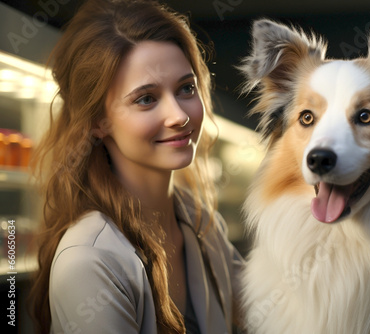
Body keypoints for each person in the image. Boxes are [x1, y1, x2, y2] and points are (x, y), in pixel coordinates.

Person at [29, 0, 244, 333]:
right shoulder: (89, 260)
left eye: (186, 88)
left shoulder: (202, 223)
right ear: (99, 121)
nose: (180, 116)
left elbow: (272, 312)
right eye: (146, 98)